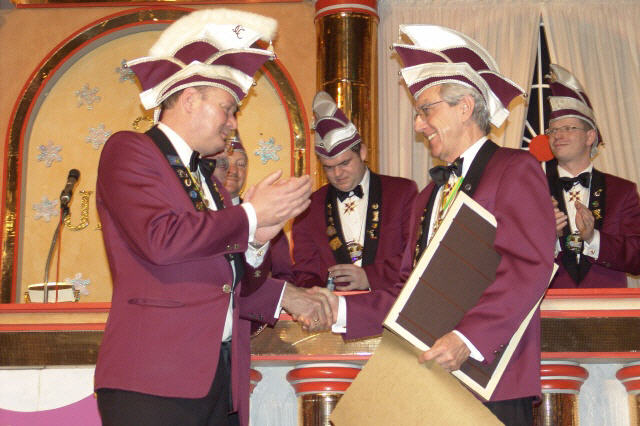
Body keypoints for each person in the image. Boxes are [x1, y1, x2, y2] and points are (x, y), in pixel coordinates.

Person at [93, 9, 334, 426]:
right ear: (190, 100)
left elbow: (230, 283)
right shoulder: (129, 150)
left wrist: (258, 239)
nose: (232, 123)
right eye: (227, 108)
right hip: (153, 380)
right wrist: (252, 215)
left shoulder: (212, 184)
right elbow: (161, 239)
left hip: (219, 379)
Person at [319, 25, 556, 425]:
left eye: (426, 110)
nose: (418, 125)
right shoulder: (426, 196)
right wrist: (336, 309)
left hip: (490, 377)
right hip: (430, 380)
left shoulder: (515, 169)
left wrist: (468, 339)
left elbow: (528, 266)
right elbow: (407, 291)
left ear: (465, 107)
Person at [291, 91, 417, 291]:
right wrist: (322, 296)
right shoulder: (308, 208)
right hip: (335, 309)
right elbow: (305, 273)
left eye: (344, 163)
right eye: (328, 167)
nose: (337, 174)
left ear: (363, 152)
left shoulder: (401, 192)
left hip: (389, 304)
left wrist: (370, 277)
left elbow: (415, 255)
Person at [543, 64, 640, 288]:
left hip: (608, 305)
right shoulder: (533, 190)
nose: (558, 135)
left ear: (590, 137)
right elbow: (510, 258)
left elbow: (637, 256)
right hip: (548, 304)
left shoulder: (622, 191)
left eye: (568, 128)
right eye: (553, 130)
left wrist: (593, 239)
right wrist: (547, 237)